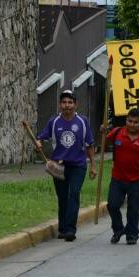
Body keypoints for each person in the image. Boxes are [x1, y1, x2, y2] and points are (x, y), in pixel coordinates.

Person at [35, 89, 96, 242]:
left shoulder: (82, 121)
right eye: (64, 102)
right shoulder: (54, 121)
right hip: (58, 166)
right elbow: (42, 136)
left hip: (78, 166)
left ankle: (70, 230)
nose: (67, 105)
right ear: (60, 104)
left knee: (73, 194)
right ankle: (62, 228)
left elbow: (89, 145)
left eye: (70, 102)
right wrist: (39, 142)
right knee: (62, 197)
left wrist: (93, 166)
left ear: (75, 104)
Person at [105, 107, 139, 245]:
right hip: (117, 178)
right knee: (112, 205)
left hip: (136, 180)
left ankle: (132, 234)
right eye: (129, 121)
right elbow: (104, 143)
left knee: (133, 210)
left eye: (135, 122)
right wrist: (102, 132)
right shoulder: (117, 133)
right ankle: (118, 229)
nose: (132, 124)